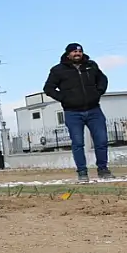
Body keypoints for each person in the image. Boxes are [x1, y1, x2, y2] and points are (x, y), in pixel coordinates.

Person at [43, 43, 112, 182]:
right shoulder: (58, 70)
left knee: (102, 140)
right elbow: (48, 88)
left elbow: (102, 79)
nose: (77, 54)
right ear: (68, 54)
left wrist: (98, 92)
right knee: (78, 143)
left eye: (79, 51)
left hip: (94, 110)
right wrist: (65, 98)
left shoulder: (91, 66)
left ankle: (103, 169)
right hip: (72, 112)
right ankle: (82, 172)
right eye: (74, 52)